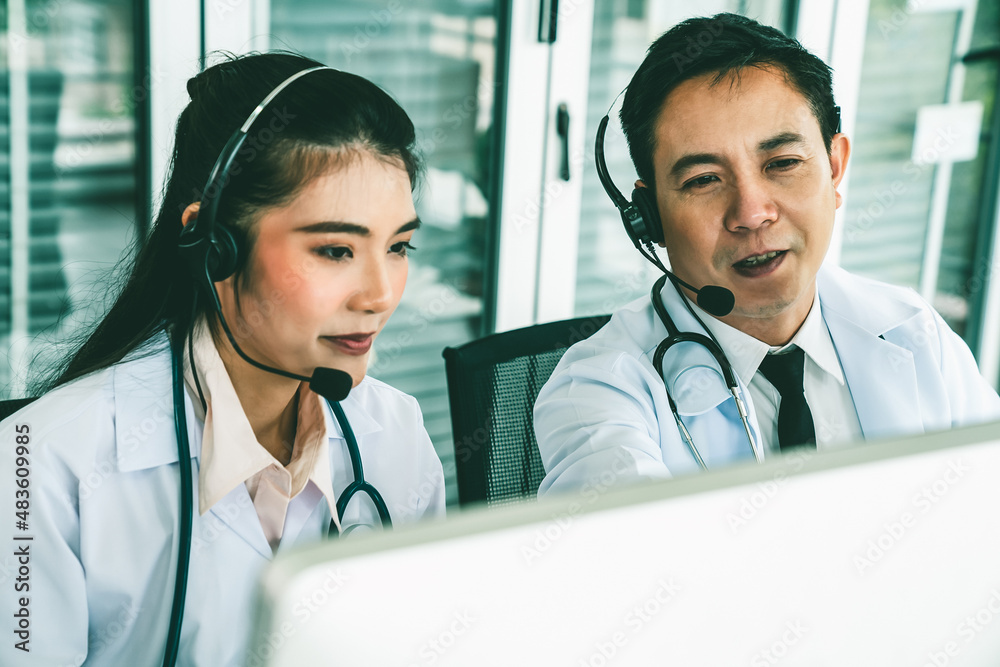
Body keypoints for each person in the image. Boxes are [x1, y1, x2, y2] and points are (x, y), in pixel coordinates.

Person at [0, 53, 445, 665]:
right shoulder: (40, 464)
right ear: (214, 248)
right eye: (336, 250)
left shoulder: (395, 430)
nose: (381, 294)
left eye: (399, 246)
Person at [533, 13, 1000, 497]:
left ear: (835, 169)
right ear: (649, 218)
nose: (752, 213)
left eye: (782, 164)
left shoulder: (914, 332)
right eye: (703, 181)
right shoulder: (596, 393)